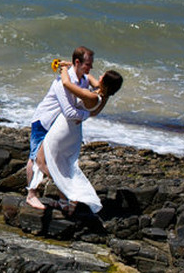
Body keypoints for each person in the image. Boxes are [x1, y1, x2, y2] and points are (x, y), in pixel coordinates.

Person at [29, 67, 124, 215]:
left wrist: (64, 69)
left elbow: (67, 84)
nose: (98, 77)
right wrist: (73, 65)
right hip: (73, 132)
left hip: (63, 129)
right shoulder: (103, 96)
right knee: (62, 164)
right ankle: (64, 201)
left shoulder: (92, 97)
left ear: (104, 82)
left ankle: (71, 194)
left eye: (102, 76)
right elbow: (88, 77)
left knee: (42, 162)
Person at [26, 46, 96, 210]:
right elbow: (70, 112)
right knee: (36, 159)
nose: (90, 68)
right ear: (77, 62)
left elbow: (98, 84)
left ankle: (64, 199)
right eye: (87, 64)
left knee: (57, 159)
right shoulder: (62, 82)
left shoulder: (82, 79)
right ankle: (31, 195)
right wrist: (87, 115)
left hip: (58, 126)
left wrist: (68, 65)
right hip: (44, 121)